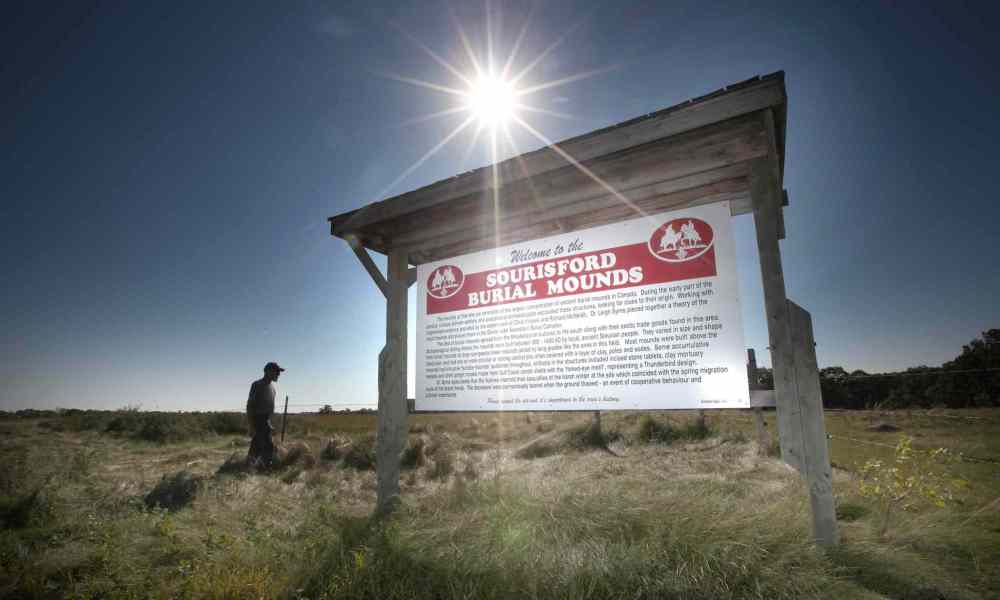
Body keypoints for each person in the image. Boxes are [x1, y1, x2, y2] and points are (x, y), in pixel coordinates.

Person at [246, 362, 284, 468]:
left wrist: (269, 423)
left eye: (278, 372)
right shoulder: (257, 385)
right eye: (276, 372)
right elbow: (250, 406)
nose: (278, 374)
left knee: (256, 446)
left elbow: (269, 409)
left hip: (265, 420)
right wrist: (251, 426)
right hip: (258, 420)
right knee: (268, 447)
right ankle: (265, 468)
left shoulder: (272, 388)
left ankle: (249, 466)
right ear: (268, 371)